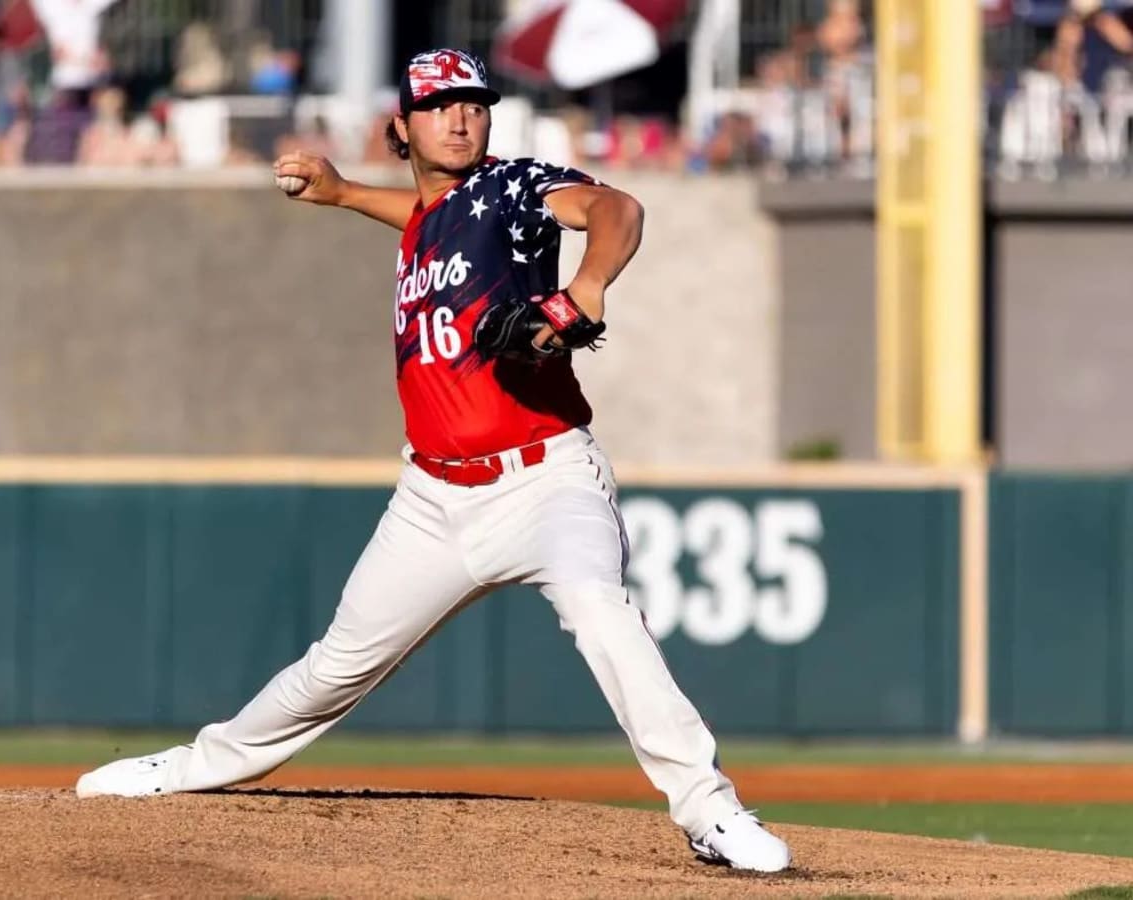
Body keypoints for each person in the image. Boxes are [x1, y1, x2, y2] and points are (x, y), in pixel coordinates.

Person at [74, 48, 790, 875]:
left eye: (475, 104)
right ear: (402, 127)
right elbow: (418, 214)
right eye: (440, 105)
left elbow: (615, 207)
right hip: (431, 501)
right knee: (334, 669)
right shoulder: (428, 220)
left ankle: (711, 812)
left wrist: (584, 289)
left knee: (603, 614)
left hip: (545, 479)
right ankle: (193, 767)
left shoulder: (511, 188)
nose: (460, 117)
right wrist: (342, 194)